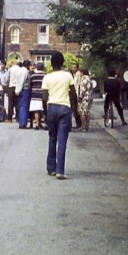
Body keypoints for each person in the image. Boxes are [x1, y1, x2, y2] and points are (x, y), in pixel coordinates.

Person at [42, 51, 77, 180]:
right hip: (65, 108)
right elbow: (73, 94)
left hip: (52, 107)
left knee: (52, 138)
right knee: (62, 139)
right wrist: (74, 108)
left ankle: (51, 167)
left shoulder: (47, 78)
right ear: (63, 63)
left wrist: (46, 113)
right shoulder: (68, 76)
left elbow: (44, 97)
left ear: (51, 64)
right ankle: (60, 171)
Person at [29, 62, 46, 130]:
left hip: (34, 94)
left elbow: (30, 84)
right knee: (43, 110)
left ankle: (37, 124)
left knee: (36, 110)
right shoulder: (46, 75)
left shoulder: (33, 76)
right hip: (43, 93)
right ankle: (44, 123)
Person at [16, 60, 32, 129]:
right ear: (28, 65)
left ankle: (21, 121)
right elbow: (22, 81)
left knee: (21, 106)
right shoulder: (25, 71)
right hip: (25, 89)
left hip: (20, 89)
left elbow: (17, 81)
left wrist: (17, 90)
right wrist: (20, 89)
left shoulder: (19, 70)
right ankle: (23, 123)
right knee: (24, 106)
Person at [69, 62, 82, 129]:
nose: (73, 69)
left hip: (76, 94)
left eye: (74, 67)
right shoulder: (72, 75)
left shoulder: (78, 75)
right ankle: (75, 124)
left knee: (76, 109)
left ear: (77, 68)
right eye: (72, 67)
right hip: (72, 94)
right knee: (73, 109)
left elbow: (78, 85)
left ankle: (79, 124)